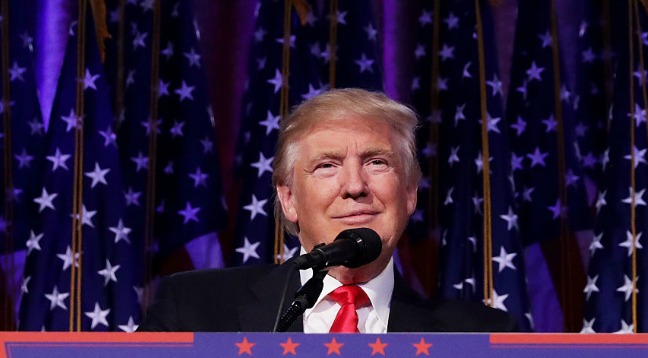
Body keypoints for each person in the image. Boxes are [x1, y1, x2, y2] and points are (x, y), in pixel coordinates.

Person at [138, 88, 515, 333]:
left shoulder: (480, 339)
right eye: (326, 166)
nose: (354, 186)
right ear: (288, 199)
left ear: (410, 193)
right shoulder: (191, 313)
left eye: (377, 162)